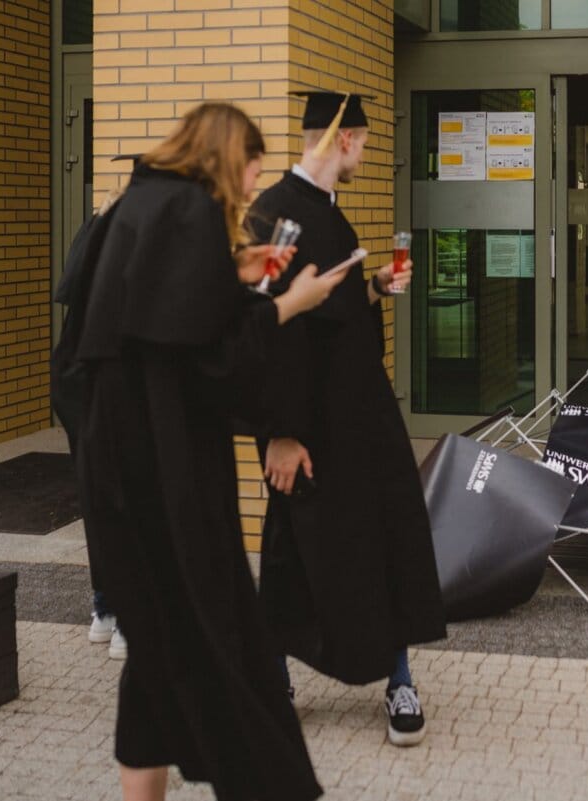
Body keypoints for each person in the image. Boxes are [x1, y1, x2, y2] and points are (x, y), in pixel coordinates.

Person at [74, 102, 346, 801]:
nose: (255, 185)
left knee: (158, 650)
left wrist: (237, 271)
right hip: (168, 475)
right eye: (253, 166)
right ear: (228, 155)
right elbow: (212, 363)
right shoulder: (190, 212)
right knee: (214, 642)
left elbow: (161, 330)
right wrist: (291, 301)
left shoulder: (137, 206)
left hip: (118, 468)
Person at [246, 90, 446, 747]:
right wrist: (278, 430)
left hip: (363, 416)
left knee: (387, 537)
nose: (368, 155)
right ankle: (274, 685)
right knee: (292, 552)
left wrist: (372, 289)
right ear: (347, 141)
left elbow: (327, 312)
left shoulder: (336, 216)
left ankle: (399, 680)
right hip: (304, 427)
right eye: (366, 143)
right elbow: (262, 325)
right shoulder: (275, 216)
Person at [54, 154, 138, 662]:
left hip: (76, 387)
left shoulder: (93, 231)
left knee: (100, 503)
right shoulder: (127, 244)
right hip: (106, 390)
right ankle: (125, 615)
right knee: (127, 502)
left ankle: (106, 609)